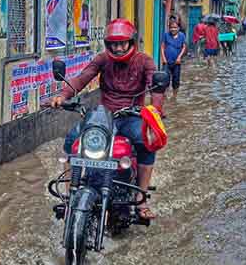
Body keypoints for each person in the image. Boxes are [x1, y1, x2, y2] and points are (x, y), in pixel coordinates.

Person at [51, 18, 164, 219]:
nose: (118, 48)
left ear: (131, 42)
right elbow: (82, 77)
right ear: (107, 44)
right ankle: (70, 193)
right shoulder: (103, 59)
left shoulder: (144, 61)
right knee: (72, 140)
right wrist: (63, 96)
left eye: (122, 43)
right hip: (104, 117)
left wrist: (155, 109)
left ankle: (141, 198)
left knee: (146, 142)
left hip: (131, 116)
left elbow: (155, 85)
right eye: (114, 44)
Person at [160, 21, 187, 99]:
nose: (173, 29)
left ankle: (174, 97)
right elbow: (162, 47)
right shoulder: (166, 35)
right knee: (165, 80)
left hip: (177, 63)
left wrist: (179, 57)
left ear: (178, 28)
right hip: (167, 62)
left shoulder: (182, 36)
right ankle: (165, 96)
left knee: (176, 80)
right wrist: (163, 58)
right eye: (171, 27)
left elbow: (184, 47)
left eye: (175, 27)